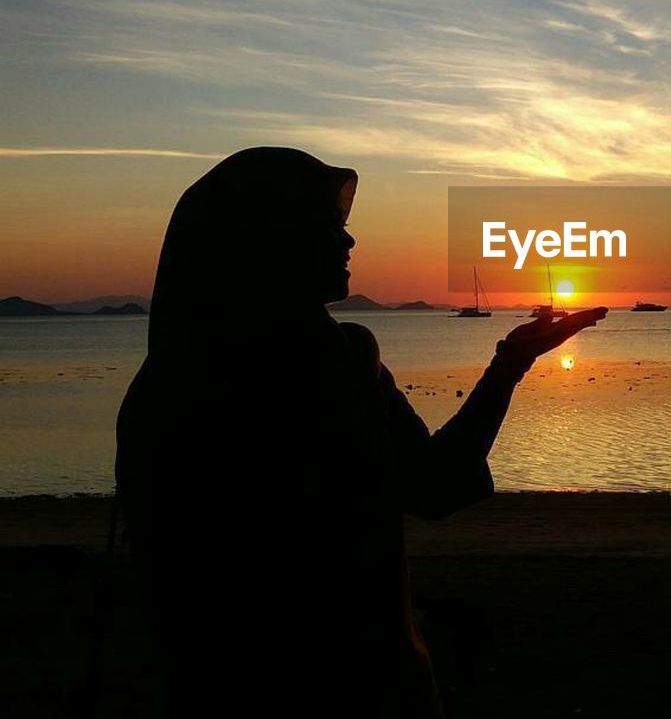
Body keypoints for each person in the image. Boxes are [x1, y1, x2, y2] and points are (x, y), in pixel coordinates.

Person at [115, 146, 605, 716]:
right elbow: (432, 488)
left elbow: (432, 486)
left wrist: (510, 362)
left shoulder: (166, 383)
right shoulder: (337, 366)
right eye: (326, 226)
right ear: (267, 239)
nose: (348, 242)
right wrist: (509, 366)